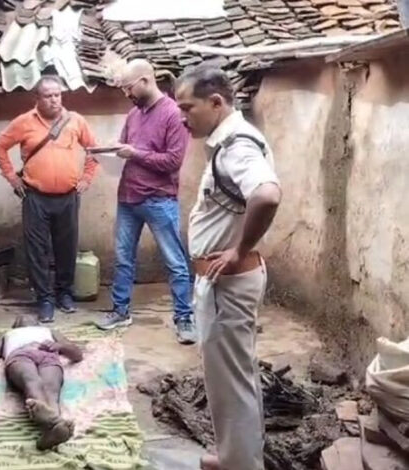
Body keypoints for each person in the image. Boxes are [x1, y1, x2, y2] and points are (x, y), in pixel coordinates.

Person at [176, 66, 282, 470]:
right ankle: (234, 456)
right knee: (230, 379)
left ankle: (241, 464)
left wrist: (239, 250)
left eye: (188, 108)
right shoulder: (228, 142)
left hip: (229, 283)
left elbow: (267, 195)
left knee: (232, 382)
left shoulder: (236, 146)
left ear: (216, 102)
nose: (182, 117)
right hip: (224, 283)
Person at [95, 59, 195, 345]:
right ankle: (120, 311)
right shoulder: (133, 115)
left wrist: (134, 153)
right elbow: (126, 149)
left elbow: (173, 161)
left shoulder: (173, 114)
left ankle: (184, 318)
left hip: (159, 199)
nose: (126, 94)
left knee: (175, 262)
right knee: (123, 259)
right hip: (128, 197)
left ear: (145, 81)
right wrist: (111, 151)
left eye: (129, 88)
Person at [0, 75, 99, 323]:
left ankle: (64, 294)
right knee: (37, 250)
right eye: (48, 96)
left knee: (67, 248)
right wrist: (12, 177)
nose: (54, 100)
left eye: (57, 95)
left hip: (68, 196)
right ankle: (45, 299)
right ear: (37, 98)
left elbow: (93, 150)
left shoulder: (75, 120)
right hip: (35, 197)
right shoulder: (24, 122)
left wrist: (87, 177)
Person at [0, 314, 83, 450]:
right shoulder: (7, 334)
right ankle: (55, 422)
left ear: (38, 323)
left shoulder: (50, 331)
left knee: (51, 388)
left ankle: (51, 431)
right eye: (20, 317)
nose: (25, 316)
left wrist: (60, 346)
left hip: (48, 356)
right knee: (31, 379)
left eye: (30, 316)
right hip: (20, 356)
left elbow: (77, 354)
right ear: (15, 325)